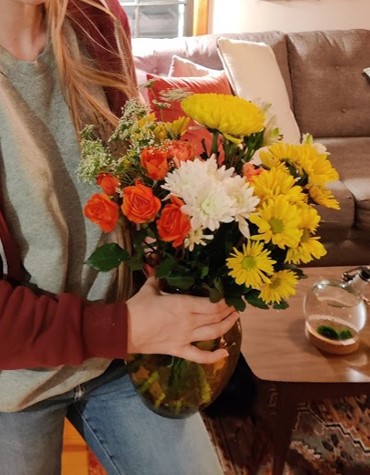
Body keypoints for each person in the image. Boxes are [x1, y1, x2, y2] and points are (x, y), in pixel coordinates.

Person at [0, 0, 239, 473]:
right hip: (14, 381)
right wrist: (126, 327)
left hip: (122, 356)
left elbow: (139, 179)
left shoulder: (98, 20)